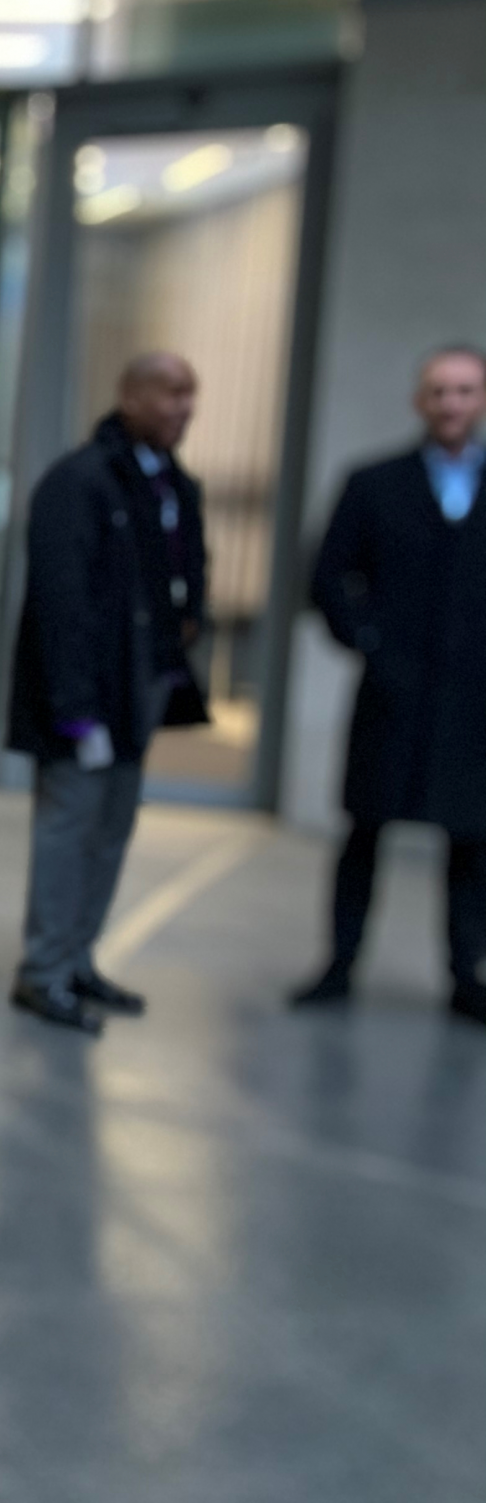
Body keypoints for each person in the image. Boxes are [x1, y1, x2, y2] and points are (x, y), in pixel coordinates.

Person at [5, 353, 208, 1033]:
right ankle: (42, 973)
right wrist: (74, 710)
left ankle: (78, 959)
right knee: (68, 828)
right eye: (171, 392)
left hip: (139, 688)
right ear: (129, 395)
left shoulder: (175, 482)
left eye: (191, 394)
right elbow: (61, 604)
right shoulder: (80, 481)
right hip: (85, 699)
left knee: (112, 828)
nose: (183, 406)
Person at [293, 345, 486, 1024]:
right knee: (364, 832)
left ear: (481, 399)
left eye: (464, 390)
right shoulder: (374, 482)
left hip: (473, 704)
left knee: (472, 842)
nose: (451, 403)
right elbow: (327, 576)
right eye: (439, 390)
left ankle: (468, 975)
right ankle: (340, 965)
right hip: (392, 695)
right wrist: (371, 642)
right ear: (419, 399)